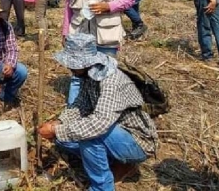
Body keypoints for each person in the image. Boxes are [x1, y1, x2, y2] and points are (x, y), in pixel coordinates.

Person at [38, 33, 158, 191]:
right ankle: (116, 163)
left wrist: (56, 130)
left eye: (72, 64)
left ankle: (102, 187)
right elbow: (80, 105)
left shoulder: (111, 81)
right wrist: (60, 123)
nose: (69, 67)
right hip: (112, 131)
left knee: (89, 135)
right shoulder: (89, 75)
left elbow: (98, 124)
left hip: (137, 140)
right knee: (63, 139)